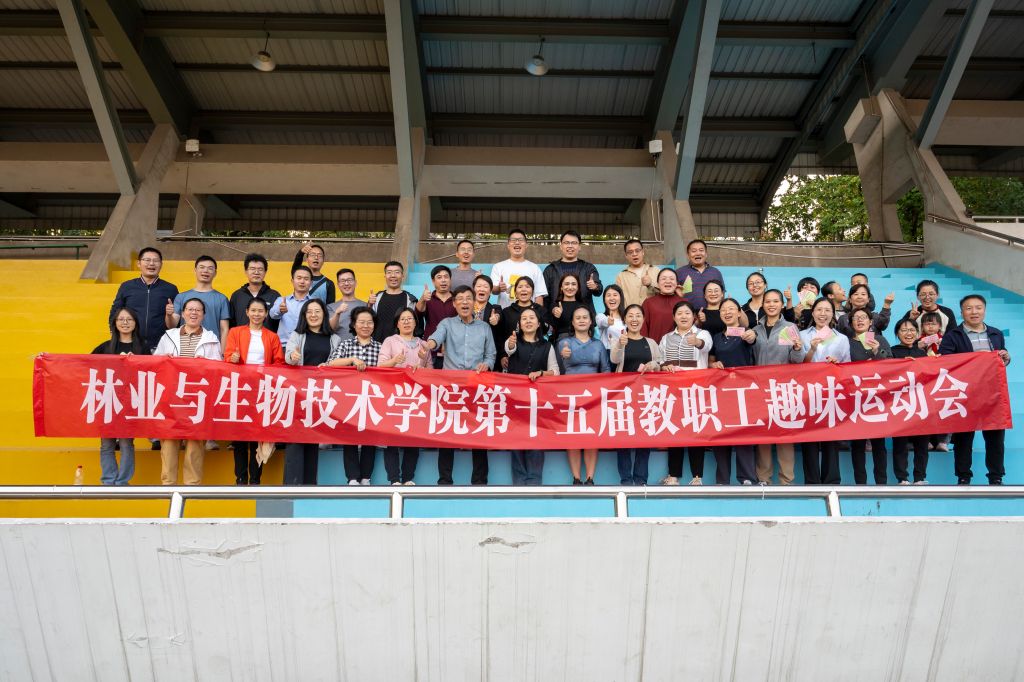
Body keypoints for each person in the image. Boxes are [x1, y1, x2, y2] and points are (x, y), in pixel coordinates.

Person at [423, 286, 497, 485]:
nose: (465, 302)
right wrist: (428, 345)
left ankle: (480, 481)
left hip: (476, 386)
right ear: (454, 304)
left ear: (474, 303)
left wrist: (487, 364)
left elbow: (491, 354)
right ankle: (445, 480)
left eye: (468, 298)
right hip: (452, 388)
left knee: (478, 432)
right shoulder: (446, 323)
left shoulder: (484, 328)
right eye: (460, 299)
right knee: (447, 433)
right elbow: (436, 338)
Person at [939, 294, 1011, 485]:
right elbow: (945, 362)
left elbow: (999, 361)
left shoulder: (996, 334)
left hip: (992, 391)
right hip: (964, 392)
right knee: (963, 437)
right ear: (962, 312)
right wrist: (976, 358)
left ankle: (996, 477)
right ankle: (963, 476)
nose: (974, 312)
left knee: (995, 437)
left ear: (984, 310)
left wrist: (1005, 358)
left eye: (978, 307)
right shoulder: (953, 335)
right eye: (969, 308)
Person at [153, 298, 223, 485]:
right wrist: (164, 358)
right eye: (190, 309)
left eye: (198, 310)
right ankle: (168, 486)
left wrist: (205, 364)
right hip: (171, 396)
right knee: (169, 442)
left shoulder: (211, 339)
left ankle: (192, 486)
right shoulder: (168, 336)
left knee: (195, 445)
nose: (194, 313)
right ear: (183, 313)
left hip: (197, 398)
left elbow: (218, 368)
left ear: (204, 315)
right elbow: (154, 362)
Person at [224, 298, 284, 485]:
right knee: (240, 435)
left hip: (262, 389)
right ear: (247, 312)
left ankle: (256, 478)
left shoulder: (272, 336)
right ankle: (241, 478)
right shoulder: (235, 332)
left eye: (260, 311)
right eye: (253, 310)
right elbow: (227, 356)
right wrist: (232, 359)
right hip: (240, 388)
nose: (257, 314)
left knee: (258, 435)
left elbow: (279, 362)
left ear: (266, 314)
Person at [283, 299, 340, 485]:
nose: (313, 315)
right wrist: (293, 356)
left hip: (320, 395)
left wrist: (329, 367)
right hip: (299, 394)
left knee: (312, 439)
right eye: (309, 312)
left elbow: (337, 364)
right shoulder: (297, 335)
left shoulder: (334, 339)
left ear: (324, 314)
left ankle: (309, 486)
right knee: (295, 440)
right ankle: (291, 485)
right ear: (304, 315)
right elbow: (288, 357)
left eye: (317, 311)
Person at [751, 289, 804, 485]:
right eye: (768, 301)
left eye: (775, 301)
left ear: (782, 305)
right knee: (763, 435)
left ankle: (786, 481)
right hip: (760, 389)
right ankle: (764, 479)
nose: (771, 305)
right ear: (762, 304)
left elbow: (797, 360)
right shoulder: (755, 330)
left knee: (784, 436)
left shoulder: (790, 327)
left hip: (783, 389)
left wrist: (797, 349)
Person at [92, 308, 148, 485]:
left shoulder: (142, 347)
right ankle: (108, 480)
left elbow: (152, 371)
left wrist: (135, 361)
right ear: (114, 323)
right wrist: (48, 358)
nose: (125, 322)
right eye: (121, 319)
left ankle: (123, 481)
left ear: (135, 323)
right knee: (106, 444)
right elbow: (85, 364)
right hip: (107, 400)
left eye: (129, 319)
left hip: (130, 401)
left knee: (126, 443)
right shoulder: (105, 347)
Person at [658, 301, 712, 486]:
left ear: (693, 316)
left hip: (695, 391)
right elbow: (660, 359)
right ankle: (673, 475)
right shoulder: (666, 338)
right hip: (673, 391)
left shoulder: (702, 333)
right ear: (674, 317)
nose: (683, 316)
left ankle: (697, 476)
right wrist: (664, 366)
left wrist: (697, 342)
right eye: (679, 313)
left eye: (687, 313)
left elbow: (706, 346)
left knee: (695, 431)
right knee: (675, 431)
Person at [554, 307, 609, 485]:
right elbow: (560, 360)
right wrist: (564, 355)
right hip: (570, 396)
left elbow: (606, 370)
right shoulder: (565, 342)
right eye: (578, 318)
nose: (582, 320)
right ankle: (576, 478)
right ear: (572, 322)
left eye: (585, 317)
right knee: (573, 436)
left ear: (591, 321)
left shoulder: (598, 344)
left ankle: (590, 477)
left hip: (593, 397)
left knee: (591, 436)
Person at [798, 298, 850, 485]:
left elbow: (847, 367)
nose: (823, 314)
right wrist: (811, 350)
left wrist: (837, 364)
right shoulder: (802, 335)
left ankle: (832, 480)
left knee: (831, 438)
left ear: (833, 314)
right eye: (819, 310)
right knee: (809, 439)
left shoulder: (842, 338)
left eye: (827, 310)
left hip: (831, 393)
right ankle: (811, 481)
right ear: (812, 313)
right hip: (808, 393)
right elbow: (798, 364)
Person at [609, 304, 661, 486]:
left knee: (644, 438)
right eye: (630, 315)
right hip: (623, 397)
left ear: (643, 319)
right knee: (623, 438)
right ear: (625, 319)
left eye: (638, 315)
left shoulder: (651, 342)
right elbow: (614, 360)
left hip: (646, 397)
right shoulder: (620, 340)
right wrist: (619, 344)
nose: (634, 319)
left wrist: (654, 365)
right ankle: (626, 480)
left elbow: (659, 363)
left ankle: (640, 480)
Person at [504, 308, 557, 485]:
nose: (528, 321)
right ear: (519, 324)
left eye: (531, 318)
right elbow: (509, 349)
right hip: (515, 400)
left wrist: (541, 373)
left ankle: (535, 481)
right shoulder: (513, 341)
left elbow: (555, 372)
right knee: (516, 440)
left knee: (536, 440)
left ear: (539, 323)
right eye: (524, 319)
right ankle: (519, 482)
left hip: (538, 403)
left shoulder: (547, 346)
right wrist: (511, 342)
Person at [378, 308, 431, 485]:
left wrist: (422, 364)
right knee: (391, 438)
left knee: (413, 438)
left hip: (417, 398)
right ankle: (394, 479)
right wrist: (394, 361)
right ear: (397, 323)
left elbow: (431, 372)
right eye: (403, 319)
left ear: (416, 322)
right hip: (394, 395)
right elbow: (380, 366)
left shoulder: (424, 344)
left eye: (410, 318)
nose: (407, 322)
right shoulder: (390, 341)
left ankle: (408, 478)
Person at [708, 298, 758, 485]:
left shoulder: (746, 333)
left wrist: (751, 334)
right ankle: (722, 479)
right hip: (721, 392)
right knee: (722, 435)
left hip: (744, 392)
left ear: (739, 313)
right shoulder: (716, 337)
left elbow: (752, 339)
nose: (727, 312)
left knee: (744, 435)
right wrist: (714, 364)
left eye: (731, 309)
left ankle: (746, 477)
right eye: (723, 310)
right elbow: (711, 361)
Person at [847, 308, 893, 485]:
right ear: (851, 323)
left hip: (877, 397)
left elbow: (891, 364)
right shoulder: (846, 342)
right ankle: (860, 483)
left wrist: (876, 352)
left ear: (870, 322)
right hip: (855, 398)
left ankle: (881, 482)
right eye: (856, 318)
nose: (860, 320)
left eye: (864, 317)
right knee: (857, 444)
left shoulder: (879, 340)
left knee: (878, 443)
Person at [108, 246, 178, 352]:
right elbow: (115, 312)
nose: (151, 264)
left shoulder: (170, 289)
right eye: (147, 260)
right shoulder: (127, 286)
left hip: (160, 347)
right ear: (139, 263)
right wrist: (116, 336)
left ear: (161, 264)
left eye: (156, 260)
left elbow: (176, 319)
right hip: (132, 346)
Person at [890, 319, 931, 484]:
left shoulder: (923, 354)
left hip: (920, 402)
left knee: (922, 444)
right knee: (900, 444)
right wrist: (900, 365)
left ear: (917, 332)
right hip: (900, 403)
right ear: (897, 333)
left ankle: (920, 477)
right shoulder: (892, 352)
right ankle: (902, 478)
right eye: (904, 330)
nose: (908, 333)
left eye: (912, 330)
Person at [168, 255, 230, 348]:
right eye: (202, 267)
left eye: (210, 268)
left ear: (215, 273)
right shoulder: (181, 297)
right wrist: (168, 315)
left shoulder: (222, 299)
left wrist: (223, 353)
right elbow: (172, 325)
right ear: (195, 270)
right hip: (185, 347)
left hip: (211, 347)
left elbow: (224, 329)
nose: (206, 271)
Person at [542, 229, 603, 313]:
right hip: (557, 318)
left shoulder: (588, 268)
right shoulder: (550, 269)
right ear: (561, 246)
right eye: (566, 243)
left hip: (584, 317)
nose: (570, 246)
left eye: (574, 243)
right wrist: (552, 310)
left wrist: (595, 286)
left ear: (579, 247)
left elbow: (599, 291)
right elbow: (544, 297)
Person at [490, 229, 547, 308]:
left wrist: (538, 313)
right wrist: (499, 288)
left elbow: (539, 296)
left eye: (520, 240)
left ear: (526, 245)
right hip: (505, 313)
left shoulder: (535, 268)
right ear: (508, 245)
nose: (517, 242)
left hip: (529, 314)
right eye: (513, 240)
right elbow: (493, 290)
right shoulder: (498, 267)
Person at [415, 265, 456, 369]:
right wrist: (423, 299)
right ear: (433, 281)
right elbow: (417, 314)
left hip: (454, 352)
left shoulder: (457, 300)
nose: (443, 280)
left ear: (450, 280)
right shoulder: (428, 299)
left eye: (446, 277)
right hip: (431, 352)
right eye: (439, 277)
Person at [228, 253, 281, 332]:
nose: (256, 272)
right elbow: (231, 323)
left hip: (267, 339)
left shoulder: (274, 296)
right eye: (252, 269)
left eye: (260, 269)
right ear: (246, 271)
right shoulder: (237, 296)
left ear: (265, 272)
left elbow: (279, 323)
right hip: (242, 339)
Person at [498, 276, 548, 357]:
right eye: (520, 287)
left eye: (527, 287)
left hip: (536, 354)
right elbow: (500, 336)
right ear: (515, 292)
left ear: (532, 291)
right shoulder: (506, 312)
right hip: (511, 354)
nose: (523, 289)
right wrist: (503, 355)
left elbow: (545, 331)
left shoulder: (540, 310)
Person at [369, 261, 418, 343]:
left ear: (402, 276)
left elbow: (414, 324)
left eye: (397, 272)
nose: (393, 275)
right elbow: (369, 320)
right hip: (379, 344)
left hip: (402, 345)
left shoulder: (410, 299)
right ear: (385, 276)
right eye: (389, 272)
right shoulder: (376, 298)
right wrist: (369, 305)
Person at [675, 239, 724, 310]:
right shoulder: (679, 272)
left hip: (712, 314)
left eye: (701, 250)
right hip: (689, 314)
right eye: (694, 251)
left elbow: (722, 294)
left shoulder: (716, 272)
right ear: (688, 255)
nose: (698, 253)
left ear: (706, 254)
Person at [270, 265, 313, 344]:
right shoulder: (282, 300)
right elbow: (272, 315)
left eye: (306, 279)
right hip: (285, 345)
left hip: (307, 345)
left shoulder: (315, 303)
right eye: (299, 278)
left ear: (311, 283)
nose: (302, 281)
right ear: (292, 281)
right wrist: (280, 310)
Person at [640, 268, 684, 342]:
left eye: (672, 279)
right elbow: (643, 328)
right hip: (654, 346)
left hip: (678, 347)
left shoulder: (683, 303)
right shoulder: (648, 303)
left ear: (677, 283)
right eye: (663, 279)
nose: (668, 281)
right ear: (657, 283)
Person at [614, 238, 659, 307]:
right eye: (630, 252)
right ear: (626, 255)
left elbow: (664, 295)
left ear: (643, 252)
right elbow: (618, 300)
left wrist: (650, 285)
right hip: (630, 313)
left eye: (637, 251)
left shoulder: (655, 270)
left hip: (652, 313)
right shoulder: (621, 276)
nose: (634, 254)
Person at [548, 272, 594, 341]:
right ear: (561, 287)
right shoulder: (555, 306)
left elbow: (591, 327)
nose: (570, 287)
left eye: (573, 284)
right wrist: (556, 315)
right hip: (563, 341)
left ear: (578, 287)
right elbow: (551, 330)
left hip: (582, 340)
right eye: (567, 284)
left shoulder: (584, 306)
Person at [327, 268, 365, 344]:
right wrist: (337, 313)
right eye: (342, 281)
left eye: (349, 280)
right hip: (338, 348)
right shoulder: (330, 307)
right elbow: (330, 329)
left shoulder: (365, 305)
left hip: (361, 348)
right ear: (338, 285)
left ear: (355, 283)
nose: (346, 283)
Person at [596, 284, 626, 360]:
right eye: (608, 295)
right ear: (604, 300)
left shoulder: (626, 318)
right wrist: (608, 321)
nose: (612, 298)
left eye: (615, 295)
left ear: (620, 298)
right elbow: (602, 322)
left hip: (624, 353)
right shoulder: (601, 316)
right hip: (607, 354)